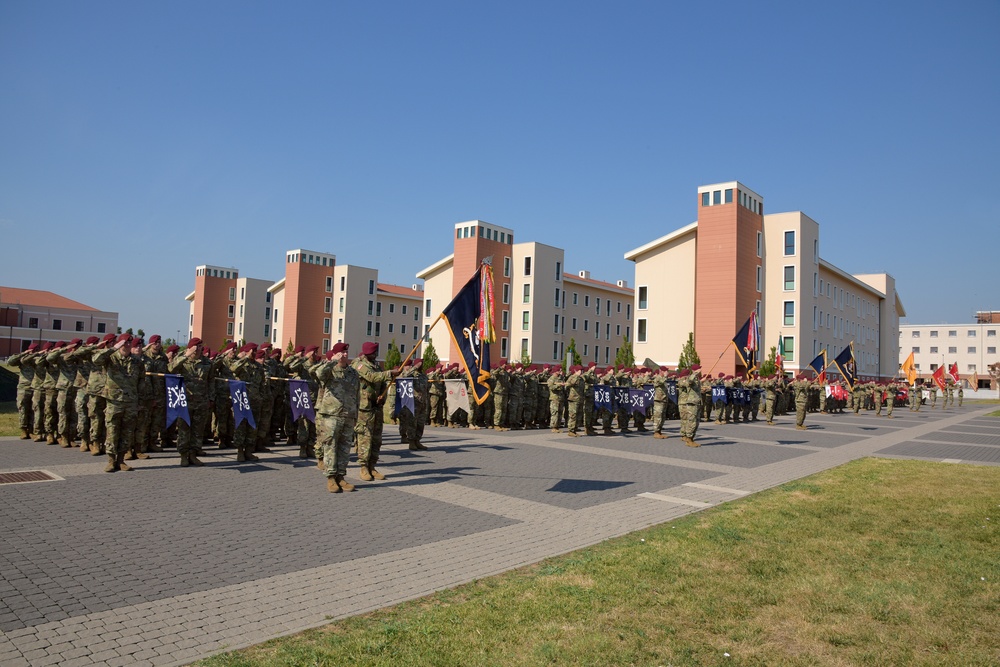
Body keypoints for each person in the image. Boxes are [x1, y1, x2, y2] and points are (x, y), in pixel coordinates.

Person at [92, 334, 143, 472]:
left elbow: (142, 382)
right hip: (114, 401)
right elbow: (96, 360)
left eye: (129, 343)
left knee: (127, 432)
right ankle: (111, 460)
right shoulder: (110, 358)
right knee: (112, 431)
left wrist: (140, 401)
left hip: (131, 401)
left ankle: (121, 460)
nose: (127, 345)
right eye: (124, 343)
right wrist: (113, 348)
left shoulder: (137, 361)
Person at [313, 342, 359, 493]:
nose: (345, 355)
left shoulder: (352, 372)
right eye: (342, 352)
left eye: (346, 352)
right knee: (330, 446)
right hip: (331, 414)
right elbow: (318, 374)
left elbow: (356, 393)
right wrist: (332, 360)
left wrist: (355, 413)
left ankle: (341, 476)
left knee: (345, 448)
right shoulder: (329, 369)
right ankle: (331, 477)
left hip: (348, 414)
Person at [353, 342, 400, 481]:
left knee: (376, 439)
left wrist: (383, 397)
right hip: (365, 408)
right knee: (365, 439)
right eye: (373, 353)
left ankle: (372, 466)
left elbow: (383, 384)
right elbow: (372, 377)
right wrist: (390, 372)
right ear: (368, 353)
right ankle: (363, 468)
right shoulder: (359, 365)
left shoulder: (376, 366)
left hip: (376, 407)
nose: (375, 355)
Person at [167, 337, 215, 467]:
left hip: (201, 401)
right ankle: (183, 455)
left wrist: (211, 398)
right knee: (183, 429)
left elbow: (211, 381)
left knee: (197, 430)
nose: (199, 349)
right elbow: (171, 369)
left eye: (200, 346)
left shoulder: (207, 363)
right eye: (196, 347)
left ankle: (193, 454)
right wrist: (186, 355)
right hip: (185, 401)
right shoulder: (182, 360)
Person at [6, 343, 39, 439]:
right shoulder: (23, 359)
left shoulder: (38, 358)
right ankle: (24, 430)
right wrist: (24, 353)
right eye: (33, 350)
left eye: (36, 349)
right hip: (24, 387)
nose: (34, 351)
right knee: (23, 408)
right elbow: (10, 361)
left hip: (35, 387)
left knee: (34, 409)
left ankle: (32, 430)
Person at [677, 365, 702, 446]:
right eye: (699, 368)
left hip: (696, 401)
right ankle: (689, 439)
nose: (700, 369)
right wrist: (694, 374)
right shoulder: (691, 378)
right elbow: (689, 381)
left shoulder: (696, 378)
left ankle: (691, 438)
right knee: (691, 421)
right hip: (691, 402)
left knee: (696, 421)